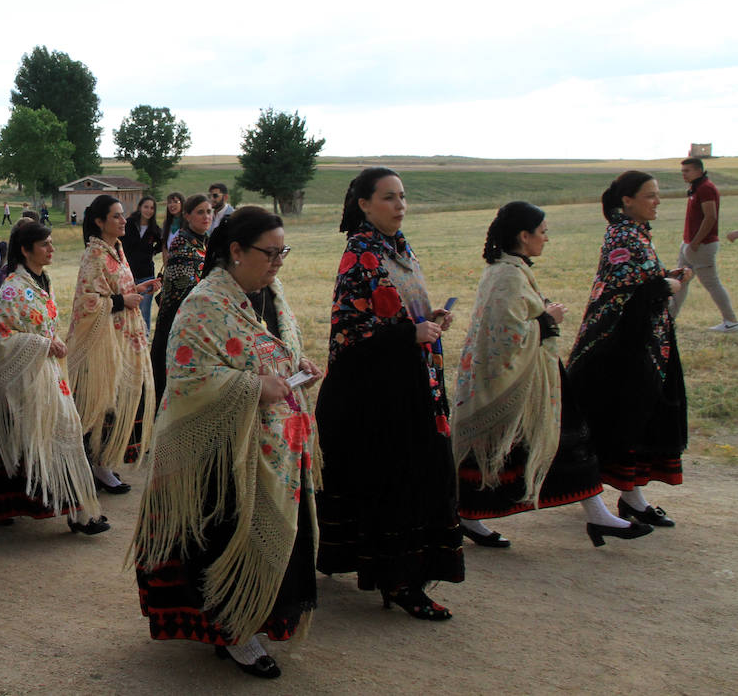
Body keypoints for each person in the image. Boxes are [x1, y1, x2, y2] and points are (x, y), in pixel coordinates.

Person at [133, 206, 319, 680]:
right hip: (221, 453)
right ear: (235, 251)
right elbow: (189, 377)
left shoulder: (270, 295)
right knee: (224, 537)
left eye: (284, 252)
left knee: (275, 534)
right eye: (269, 252)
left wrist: (298, 368)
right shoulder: (204, 305)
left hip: (274, 444)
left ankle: (256, 618)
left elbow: (278, 350)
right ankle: (234, 631)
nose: (279, 262)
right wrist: (255, 388)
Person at [453, 202, 649, 548]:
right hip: (515, 379)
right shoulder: (508, 275)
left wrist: (541, 315)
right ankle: (469, 515)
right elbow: (505, 333)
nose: (547, 239)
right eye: (542, 232)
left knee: (565, 440)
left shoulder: (511, 269)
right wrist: (548, 318)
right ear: (523, 236)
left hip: (534, 371)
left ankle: (597, 514)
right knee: (518, 446)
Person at [314, 168, 463, 620]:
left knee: (416, 477)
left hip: (411, 384)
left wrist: (427, 318)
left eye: (402, 197)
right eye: (388, 198)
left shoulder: (399, 248)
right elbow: (350, 331)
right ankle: (399, 579)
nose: (399, 205)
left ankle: (397, 572)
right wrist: (408, 334)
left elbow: (396, 313)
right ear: (363, 203)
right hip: (378, 396)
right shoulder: (360, 254)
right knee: (397, 481)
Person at [567, 170, 692, 529]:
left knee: (639, 419)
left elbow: (640, 282)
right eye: (650, 195)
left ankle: (631, 498)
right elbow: (628, 292)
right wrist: (669, 284)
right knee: (624, 419)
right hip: (621, 350)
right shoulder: (624, 235)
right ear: (627, 200)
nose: (657, 201)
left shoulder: (635, 233)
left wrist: (665, 278)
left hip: (642, 344)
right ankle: (617, 500)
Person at [0, 219, 107, 534]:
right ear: (26, 250)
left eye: (51, 242)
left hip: (47, 372)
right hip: (24, 378)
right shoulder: (12, 289)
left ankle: (79, 511)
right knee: (43, 435)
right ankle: (67, 511)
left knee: (67, 429)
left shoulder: (41, 281)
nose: (51, 249)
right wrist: (42, 344)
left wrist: (49, 344)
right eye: (44, 244)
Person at [66, 194, 157, 496]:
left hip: (121, 337)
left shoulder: (116, 249)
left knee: (119, 400)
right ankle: (98, 466)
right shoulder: (95, 254)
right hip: (104, 344)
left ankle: (103, 462)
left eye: (123, 215)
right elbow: (87, 301)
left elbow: (116, 288)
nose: (123, 221)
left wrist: (138, 289)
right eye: (116, 216)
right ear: (100, 222)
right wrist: (122, 300)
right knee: (105, 401)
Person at [149, 194, 213, 403]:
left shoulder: (206, 241)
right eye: (200, 212)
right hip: (177, 319)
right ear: (187, 215)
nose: (206, 217)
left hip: (198, 317)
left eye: (209, 212)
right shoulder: (182, 242)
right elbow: (182, 288)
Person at [672, 157, 737, 332]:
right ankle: (669, 319)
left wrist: (695, 242)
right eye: (682, 171)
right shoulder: (695, 187)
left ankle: (731, 321)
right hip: (690, 244)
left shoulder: (706, 188)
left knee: (711, 283)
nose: (684, 175)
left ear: (699, 171)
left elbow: (711, 217)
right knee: (680, 281)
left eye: (687, 171)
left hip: (701, 246)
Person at [120, 196, 163, 329]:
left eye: (152, 208)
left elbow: (163, 243)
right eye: (146, 207)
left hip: (146, 274)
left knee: (144, 312)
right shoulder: (128, 224)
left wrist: (153, 251)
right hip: (128, 274)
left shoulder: (154, 229)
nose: (149, 210)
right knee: (126, 312)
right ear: (140, 207)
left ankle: (144, 340)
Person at [160, 192, 185, 264]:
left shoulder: (188, 223)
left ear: (182, 203)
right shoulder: (166, 224)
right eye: (169, 202)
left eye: (176, 202)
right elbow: (165, 247)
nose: (172, 205)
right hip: (171, 266)